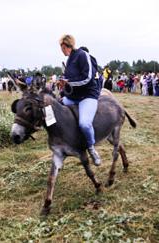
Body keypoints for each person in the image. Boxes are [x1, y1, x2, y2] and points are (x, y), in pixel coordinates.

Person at [57, 34, 101, 166]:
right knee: (54, 107)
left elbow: (87, 77)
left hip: (88, 96)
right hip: (73, 97)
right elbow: (68, 78)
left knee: (84, 124)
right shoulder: (69, 59)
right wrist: (63, 86)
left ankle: (91, 148)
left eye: (61, 47)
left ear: (65, 46)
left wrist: (68, 82)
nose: (61, 50)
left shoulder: (83, 55)